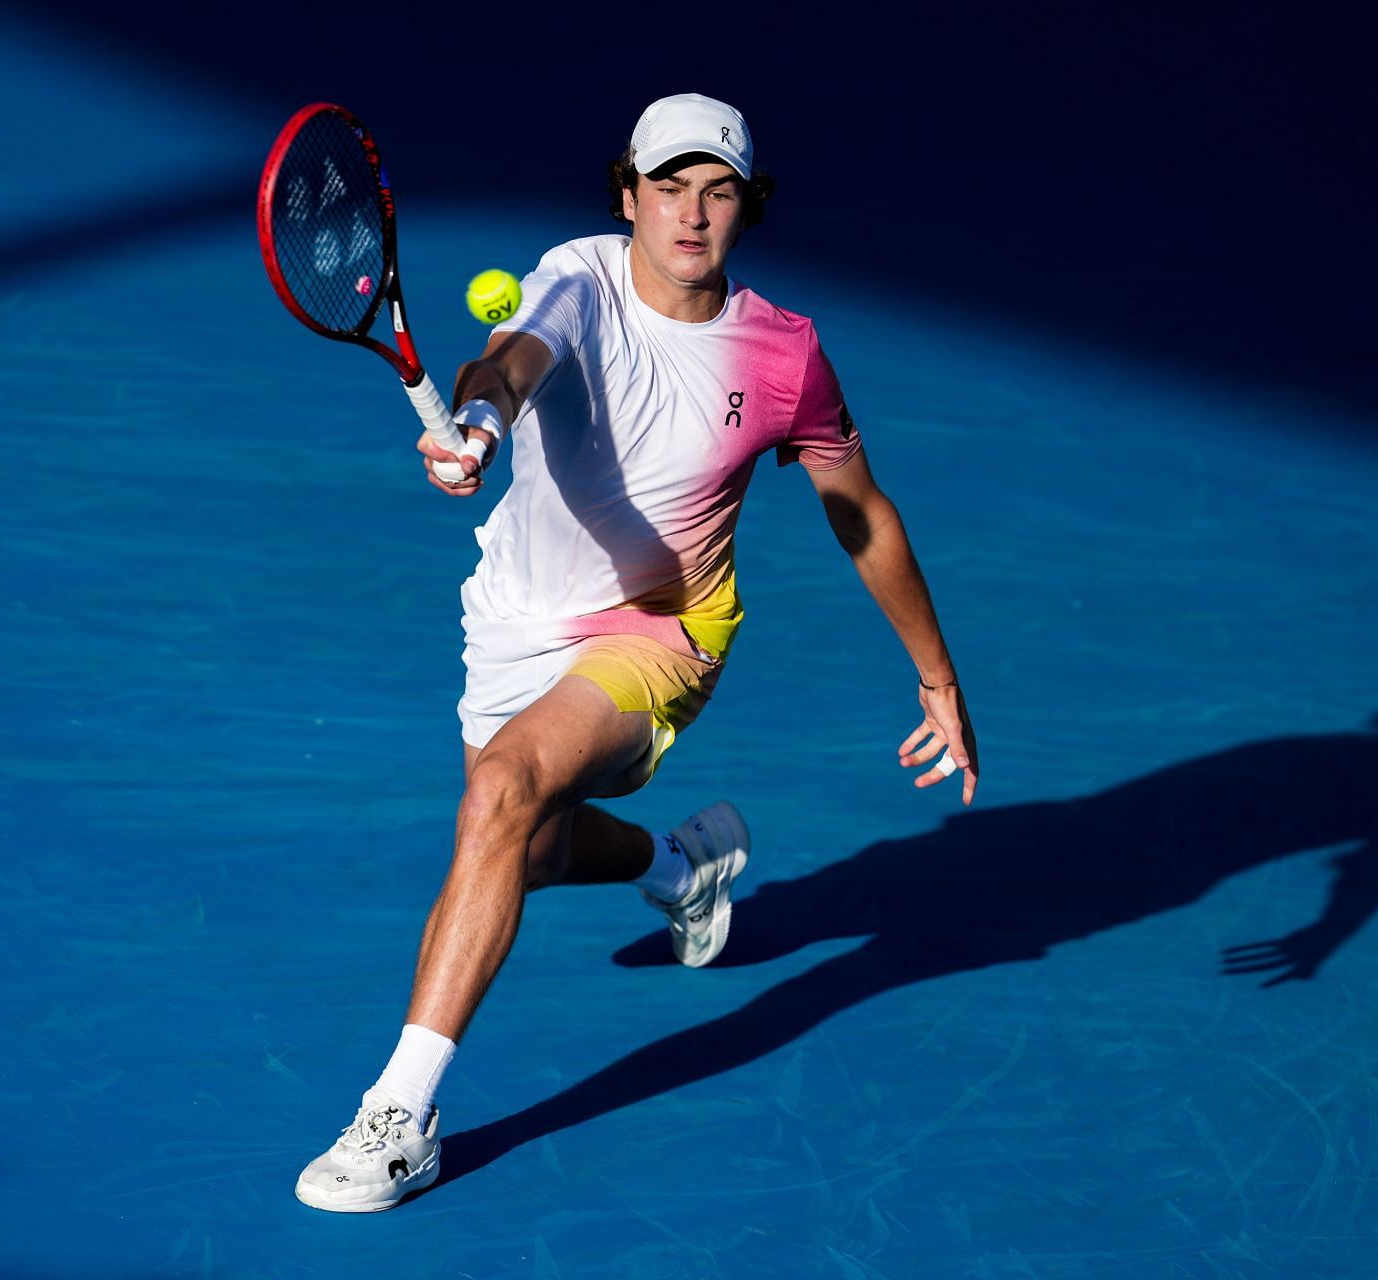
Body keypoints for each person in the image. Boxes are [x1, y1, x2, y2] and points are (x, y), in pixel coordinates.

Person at [294, 92, 979, 1213]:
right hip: (516, 609)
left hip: (665, 627)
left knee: (502, 795)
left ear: (746, 209)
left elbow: (860, 514)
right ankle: (680, 865)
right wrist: (478, 428)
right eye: (668, 186)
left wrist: (937, 675)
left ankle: (398, 1116)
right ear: (629, 197)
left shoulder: (786, 355)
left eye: (717, 191)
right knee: (529, 848)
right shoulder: (577, 275)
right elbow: (510, 362)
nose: (691, 214)